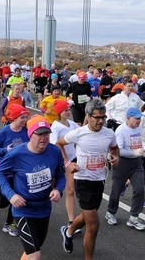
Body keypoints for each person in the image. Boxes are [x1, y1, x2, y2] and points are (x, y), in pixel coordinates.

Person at [0, 115, 66, 260]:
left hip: (44, 208)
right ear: (30, 134)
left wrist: (58, 189)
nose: (44, 138)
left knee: (33, 250)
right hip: (23, 209)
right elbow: (0, 173)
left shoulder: (54, 151)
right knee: (35, 255)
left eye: (47, 133)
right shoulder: (16, 154)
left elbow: (60, 174)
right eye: (40, 134)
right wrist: (11, 195)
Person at [56, 99, 119, 259]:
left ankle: (68, 231)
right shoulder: (79, 133)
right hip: (82, 180)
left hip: (99, 180)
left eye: (103, 117)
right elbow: (58, 144)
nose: (100, 121)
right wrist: (67, 163)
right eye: (97, 117)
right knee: (93, 225)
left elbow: (114, 148)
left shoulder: (109, 133)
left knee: (86, 216)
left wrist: (115, 157)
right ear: (88, 116)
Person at [0, 104, 30, 237]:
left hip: (18, 170)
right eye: (22, 117)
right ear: (14, 118)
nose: (25, 119)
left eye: (26, 117)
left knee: (17, 197)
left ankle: (9, 224)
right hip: (3, 170)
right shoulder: (3, 132)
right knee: (5, 201)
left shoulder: (26, 131)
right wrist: (6, 151)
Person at [105, 107, 145, 230]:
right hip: (122, 163)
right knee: (116, 190)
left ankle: (134, 217)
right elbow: (119, 150)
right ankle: (110, 212)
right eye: (136, 119)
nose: (138, 121)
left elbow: (140, 141)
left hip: (137, 163)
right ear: (128, 118)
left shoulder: (139, 128)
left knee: (139, 189)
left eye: (140, 119)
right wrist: (135, 152)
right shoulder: (120, 131)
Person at [50, 99, 81, 229]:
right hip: (59, 161)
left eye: (69, 109)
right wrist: (64, 161)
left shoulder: (72, 124)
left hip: (71, 159)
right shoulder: (55, 126)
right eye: (65, 110)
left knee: (70, 190)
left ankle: (71, 221)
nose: (68, 112)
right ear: (59, 112)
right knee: (50, 188)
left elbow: (83, 132)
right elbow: (54, 145)